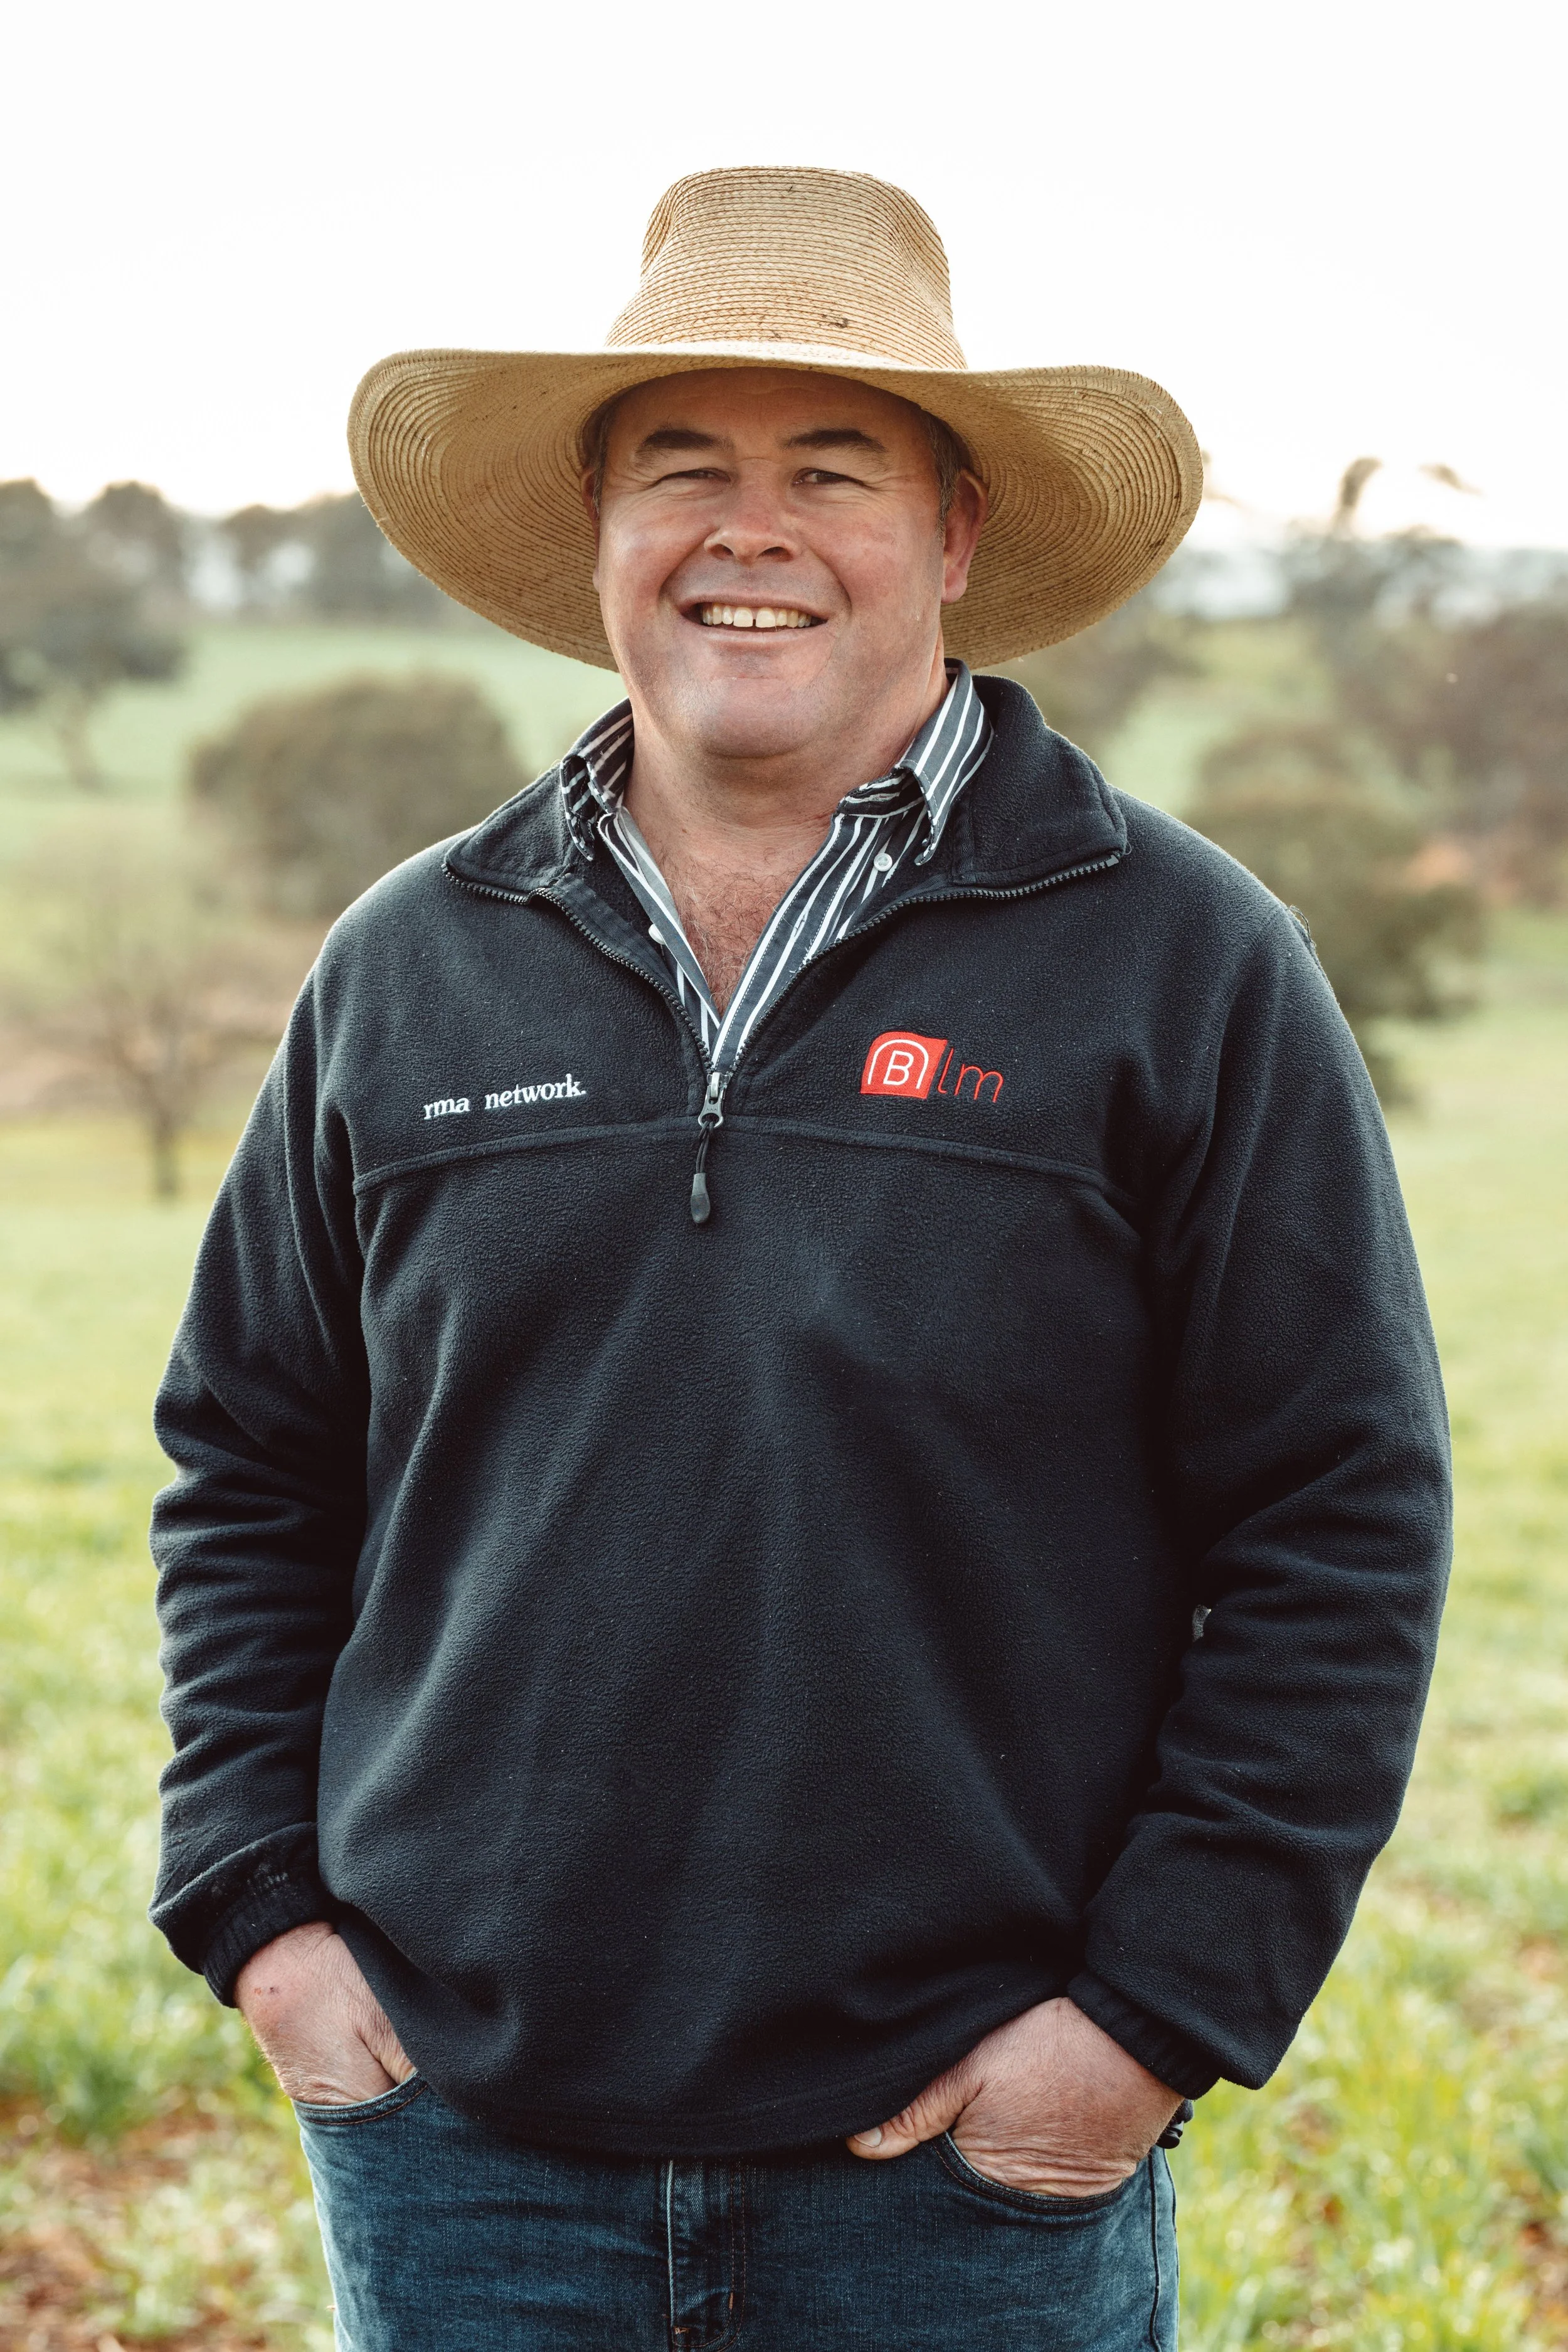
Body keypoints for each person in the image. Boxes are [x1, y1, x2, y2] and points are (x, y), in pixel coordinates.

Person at [150, 168, 1451, 2349]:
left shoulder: (1184, 963)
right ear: (598, 537)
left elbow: (1340, 1512)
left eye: (827, 470)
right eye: (685, 469)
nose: (748, 533)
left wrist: (1143, 2022)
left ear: (947, 541)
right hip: (463, 2152)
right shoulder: (405, 971)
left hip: (964, 2175)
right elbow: (252, 1467)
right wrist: (264, 1919)